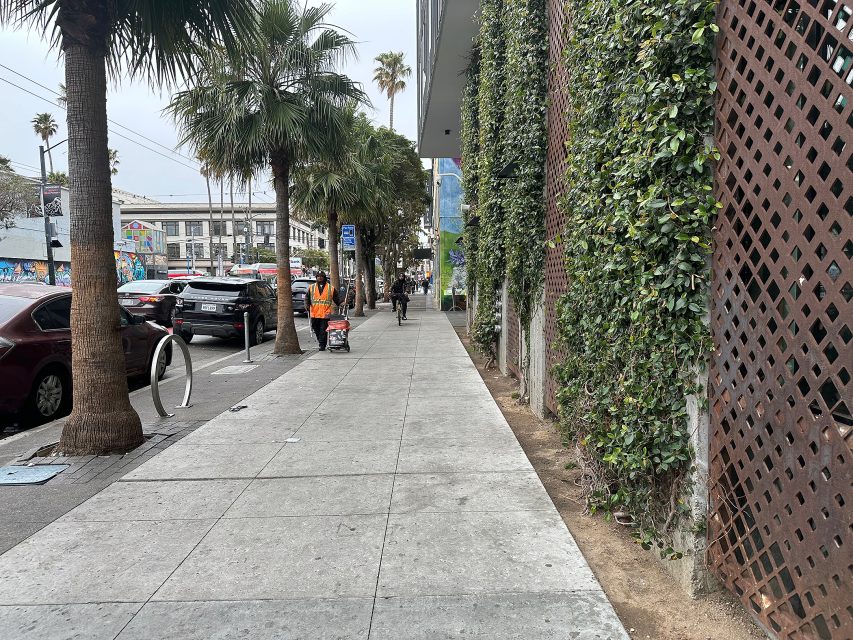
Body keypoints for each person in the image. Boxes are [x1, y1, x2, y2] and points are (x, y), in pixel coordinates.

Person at [305, 271, 340, 351]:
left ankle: (322, 345)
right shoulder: (311, 287)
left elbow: (336, 298)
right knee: (316, 329)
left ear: (324, 278)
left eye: (321, 276)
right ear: (316, 277)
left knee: (323, 330)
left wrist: (341, 302)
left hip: (325, 313)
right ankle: (321, 342)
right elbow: (307, 298)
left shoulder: (330, 288)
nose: (319, 277)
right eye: (318, 276)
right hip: (314, 313)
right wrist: (306, 306)